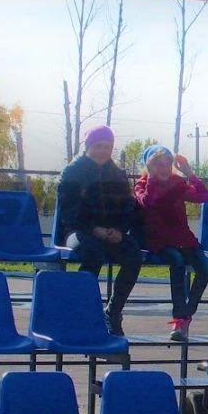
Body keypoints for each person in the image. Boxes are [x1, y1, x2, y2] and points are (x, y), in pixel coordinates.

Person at [56, 125, 142, 336]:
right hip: (77, 232)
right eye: (98, 146)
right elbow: (69, 211)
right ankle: (80, 311)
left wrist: (120, 230)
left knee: (134, 255)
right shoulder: (72, 172)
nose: (103, 150)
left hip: (112, 232)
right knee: (93, 253)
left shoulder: (118, 174)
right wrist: (94, 229)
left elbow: (129, 207)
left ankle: (113, 311)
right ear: (89, 146)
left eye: (107, 146)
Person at [133, 145, 208, 340]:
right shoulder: (143, 184)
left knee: (204, 267)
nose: (164, 169)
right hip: (159, 239)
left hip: (182, 237)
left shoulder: (177, 183)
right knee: (176, 261)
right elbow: (148, 202)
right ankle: (179, 317)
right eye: (159, 165)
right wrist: (152, 179)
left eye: (168, 165)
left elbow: (204, 196)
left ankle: (186, 313)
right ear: (150, 166)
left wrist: (189, 174)